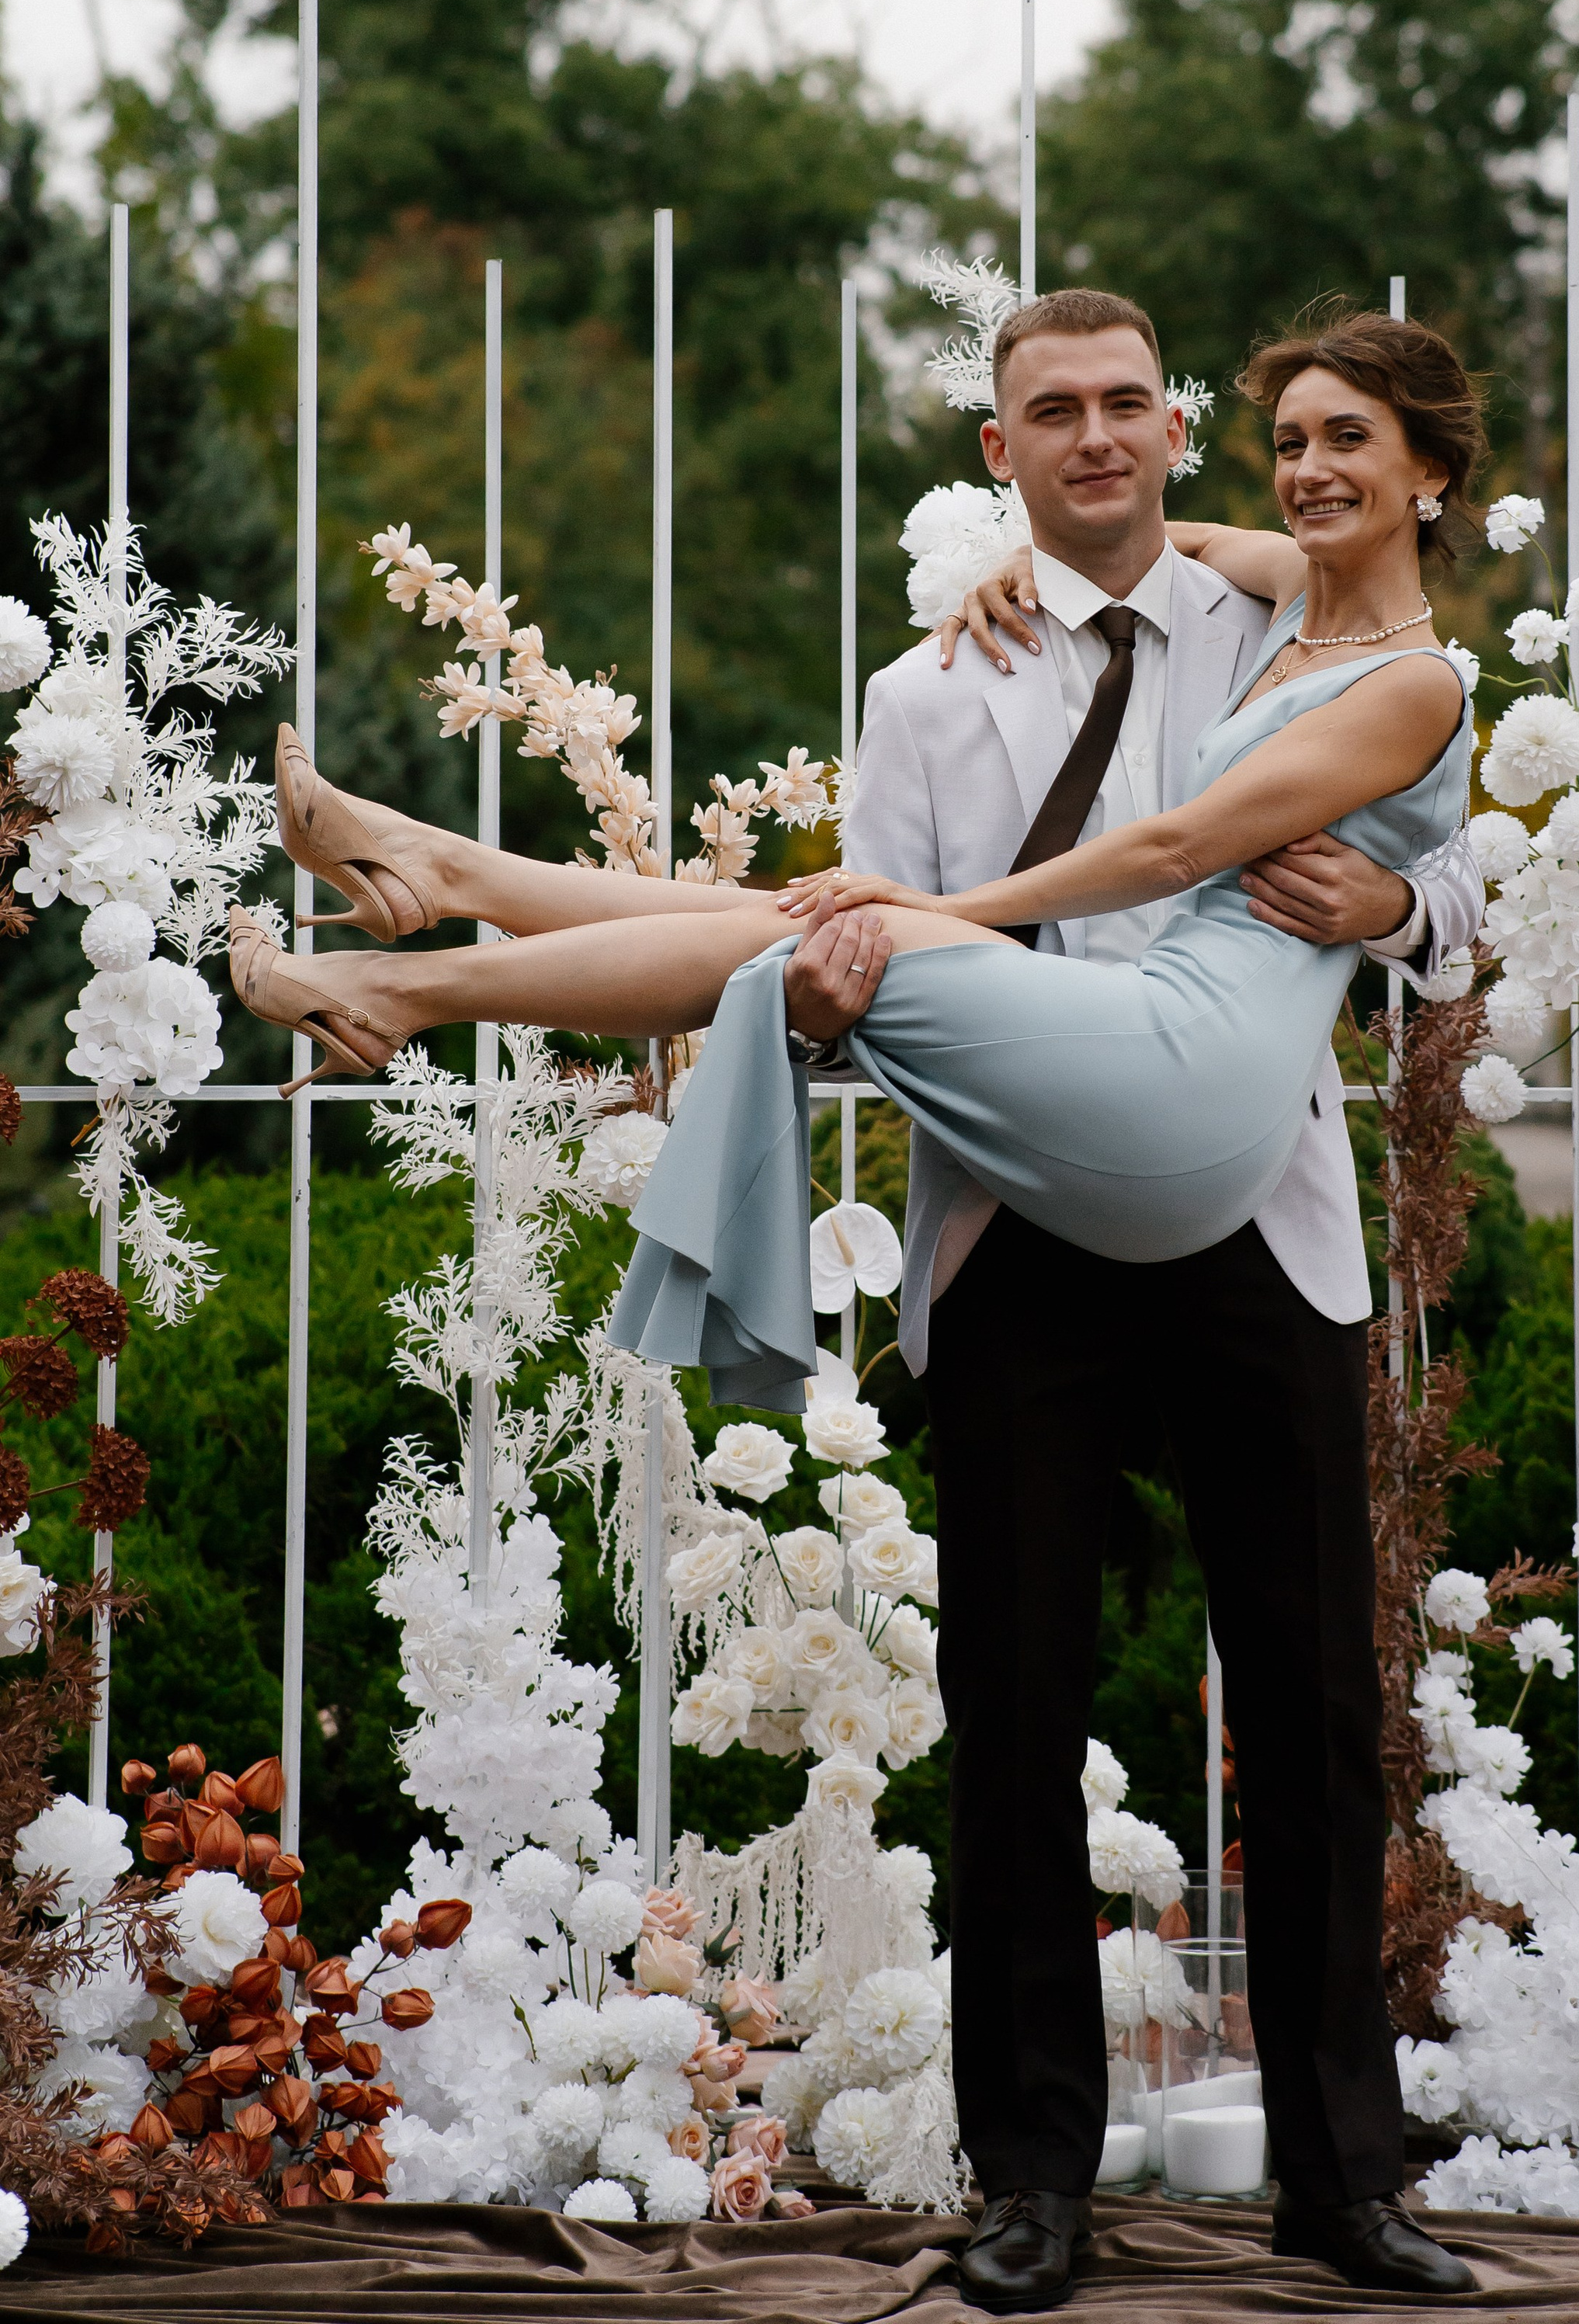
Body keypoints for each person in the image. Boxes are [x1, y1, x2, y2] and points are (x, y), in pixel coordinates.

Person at [228, 298, 1481, 2303]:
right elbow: (818, 992)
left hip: (1255, 1206)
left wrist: (1406, 906)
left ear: (1172, 430)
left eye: (1123, 409)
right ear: (998, 451)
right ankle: (1033, 2186)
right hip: (1017, 1228)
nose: (1094, 441)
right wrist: (848, 958)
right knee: (1013, 1705)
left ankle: (1349, 2179)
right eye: (1045, 415)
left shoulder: (1290, 612)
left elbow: (1443, 885)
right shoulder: (929, 691)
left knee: (1320, 1714)